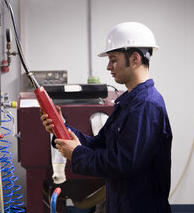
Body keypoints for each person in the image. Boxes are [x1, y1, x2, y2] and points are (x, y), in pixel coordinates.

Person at [41, 22, 173, 213]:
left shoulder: (146, 105)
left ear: (135, 58)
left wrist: (77, 153)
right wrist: (62, 128)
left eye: (113, 59)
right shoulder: (128, 101)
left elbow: (124, 163)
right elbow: (100, 144)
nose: (108, 67)